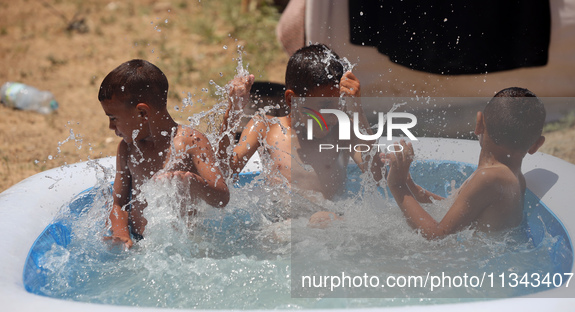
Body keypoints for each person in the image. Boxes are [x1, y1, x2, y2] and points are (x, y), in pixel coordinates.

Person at [218, 44, 383, 224]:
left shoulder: (343, 131)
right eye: (326, 105)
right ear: (292, 99)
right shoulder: (265, 127)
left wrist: (357, 108)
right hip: (281, 229)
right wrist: (232, 112)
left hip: (331, 229)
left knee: (323, 219)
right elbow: (223, 174)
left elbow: (377, 175)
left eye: (341, 103)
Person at [99, 59, 251, 248]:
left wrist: (194, 183)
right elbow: (118, 203)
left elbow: (222, 198)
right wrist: (121, 232)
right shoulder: (127, 148)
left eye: (113, 118)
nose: (110, 127)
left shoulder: (191, 142)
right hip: (138, 241)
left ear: (142, 113)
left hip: (183, 246)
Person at [384, 87, 546, 240]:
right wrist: (411, 185)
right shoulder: (511, 176)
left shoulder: (488, 177)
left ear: (478, 124)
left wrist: (398, 185)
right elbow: (455, 209)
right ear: (536, 145)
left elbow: (437, 236)